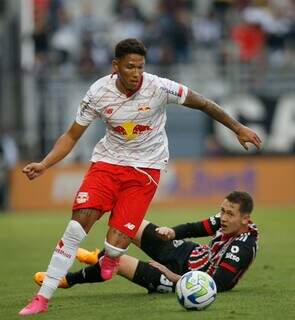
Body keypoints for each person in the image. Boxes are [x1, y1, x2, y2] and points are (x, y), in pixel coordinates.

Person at [19, 38, 261, 316]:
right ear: (116, 66)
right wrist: (45, 163)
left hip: (146, 169)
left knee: (115, 245)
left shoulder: (159, 87)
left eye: (140, 67)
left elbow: (204, 103)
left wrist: (237, 127)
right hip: (107, 164)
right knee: (76, 229)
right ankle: (42, 298)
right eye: (130, 67)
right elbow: (72, 135)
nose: (136, 73)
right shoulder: (98, 92)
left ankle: (110, 259)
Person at [34, 191, 258, 295]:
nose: (223, 217)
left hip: (187, 281)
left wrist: (171, 276)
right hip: (190, 254)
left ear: (245, 219)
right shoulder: (226, 220)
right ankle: (98, 257)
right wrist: (173, 232)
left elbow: (216, 284)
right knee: (130, 224)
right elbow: (196, 228)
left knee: (116, 263)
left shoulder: (243, 247)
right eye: (222, 211)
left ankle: (67, 280)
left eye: (229, 214)